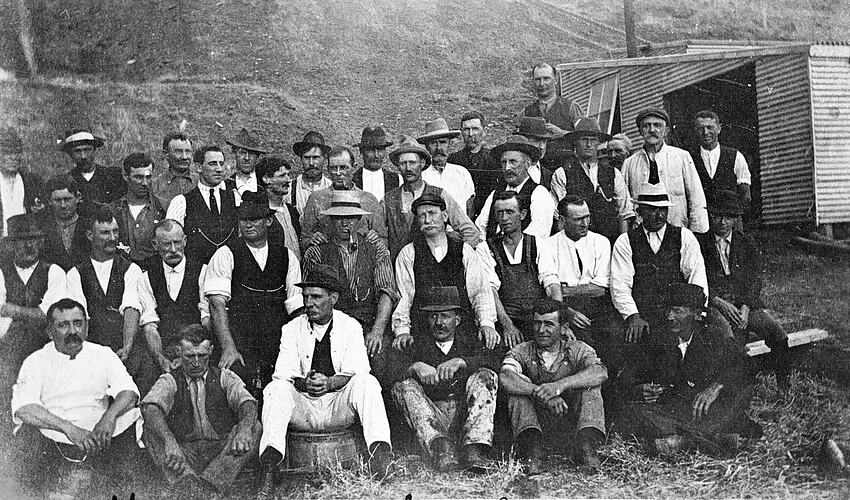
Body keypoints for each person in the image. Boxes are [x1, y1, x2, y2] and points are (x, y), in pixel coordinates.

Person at [258, 265, 393, 495]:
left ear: (333, 298)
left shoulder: (350, 326)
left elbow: (358, 369)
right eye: (306, 296)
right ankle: (270, 467)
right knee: (275, 388)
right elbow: (283, 372)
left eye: (316, 296)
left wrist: (329, 383)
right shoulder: (291, 329)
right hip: (304, 408)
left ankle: (381, 458)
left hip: (337, 407)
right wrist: (305, 383)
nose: (309, 303)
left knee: (367, 382)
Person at [10, 299, 142, 495]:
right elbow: (24, 407)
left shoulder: (103, 354)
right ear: (50, 332)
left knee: (133, 416)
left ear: (86, 326)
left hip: (98, 434)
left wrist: (108, 418)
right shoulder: (36, 361)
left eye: (78, 323)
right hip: (55, 434)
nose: (73, 331)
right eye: (63, 325)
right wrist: (69, 429)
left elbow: (128, 391)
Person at [615, 284, 761, 457]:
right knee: (633, 412)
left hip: (706, 408)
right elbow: (628, 376)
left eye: (677, 311)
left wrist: (716, 387)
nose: (669, 316)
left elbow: (746, 364)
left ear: (697, 315)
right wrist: (640, 390)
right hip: (677, 409)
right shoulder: (658, 338)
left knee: (729, 401)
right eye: (668, 310)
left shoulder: (713, 336)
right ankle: (710, 440)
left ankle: (684, 442)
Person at [140, 324, 261, 495]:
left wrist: (244, 429)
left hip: (220, 451)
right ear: (179, 352)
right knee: (150, 430)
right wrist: (169, 441)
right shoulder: (169, 380)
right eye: (190, 356)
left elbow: (247, 402)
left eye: (202, 355)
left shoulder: (224, 376)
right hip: (183, 452)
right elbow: (150, 408)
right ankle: (187, 483)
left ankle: (210, 486)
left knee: (254, 427)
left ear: (211, 351)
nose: (196, 363)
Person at [389, 286, 500, 472]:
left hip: (465, 419)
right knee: (403, 386)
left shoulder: (470, 341)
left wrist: (462, 362)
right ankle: (442, 450)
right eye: (433, 316)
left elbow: (495, 361)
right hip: (431, 421)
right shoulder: (416, 343)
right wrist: (415, 367)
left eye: (445, 316)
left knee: (486, 376)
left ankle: (474, 450)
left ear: (457, 319)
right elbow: (387, 375)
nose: (439, 322)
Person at [205, 190, 303, 387]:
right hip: (239, 342)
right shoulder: (225, 254)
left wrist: (297, 351)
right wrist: (229, 348)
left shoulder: (286, 256)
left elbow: (296, 308)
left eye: (254, 219)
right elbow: (217, 305)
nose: (247, 225)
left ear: (268, 221)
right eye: (243, 219)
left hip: (276, 343)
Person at [500, 299, 607, 475]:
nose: (541, 330)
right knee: (517, 390)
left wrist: (559, 386)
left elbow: (600, 372)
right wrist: (541, 393)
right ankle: (532, 452)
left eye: (549, 324)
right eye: (537, 323)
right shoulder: (522, 350)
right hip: (536, 423)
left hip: (570, 422)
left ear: (564, 328)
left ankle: (587, 449)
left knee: (590, 388)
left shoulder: (578, 349)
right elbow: (506, 377)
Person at [302, 190, 397, 378]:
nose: (345, 224)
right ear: (331, 220)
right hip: (331, 325)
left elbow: (386, 292)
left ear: (359, 219)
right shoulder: (316, 252)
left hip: (367, 324)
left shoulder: (375, 248)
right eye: (339, 218)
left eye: (351, 218)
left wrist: (377, 331)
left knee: (377, 361)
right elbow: (311, 299)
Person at [697, 189, 790, 381]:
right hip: (715, 304)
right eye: (717, 216)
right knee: (727, 338)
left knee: (778, 335)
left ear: (735, 218)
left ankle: (784, 384)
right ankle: (733, 385)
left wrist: (747, 307)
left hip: (744, 304)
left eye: (728, 217)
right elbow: (697, 279)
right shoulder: (699, 244)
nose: (722, 222)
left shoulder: (746, 243)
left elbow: (755, 279)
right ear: (710, 215)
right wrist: (718, 301)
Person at [393, 193, 499, 352]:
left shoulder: (464, 250)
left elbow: (480, 292)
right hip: (423, 331)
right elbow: (404, 297)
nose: (427, 220)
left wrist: (486, 324)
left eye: (432, 213)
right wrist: (402, 331)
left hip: (462, 331)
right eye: (422, 216)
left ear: (444, 216)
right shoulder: (408, 253)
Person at [610, 183, 708, 345]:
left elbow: (696, 277)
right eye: (652, 210)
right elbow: (620, 285)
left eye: (663, 209)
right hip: (642, 314)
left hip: (676, 315)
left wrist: (696, 315)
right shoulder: (625, 241)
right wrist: (632, 315)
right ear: (639, 212)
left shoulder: (684, 236)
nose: (659, 215)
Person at [0, 214, 68, 437]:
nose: (28, 245)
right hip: (9, 347)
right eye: (21, 240)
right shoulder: (1, 272)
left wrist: (14, 310)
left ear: (41, 242)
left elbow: (50, 315)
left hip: (44, 345)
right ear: (10, 245)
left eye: (33, 239)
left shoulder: (54, 272)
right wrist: (31, 314)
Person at [539, 196, 621, 356]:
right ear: (562, 220)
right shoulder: (547, 245)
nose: (585, 223)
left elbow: (601, 288)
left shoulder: (601, 242)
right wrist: (567, 312)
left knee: (614, 336)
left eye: (587, 217)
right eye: (578, 219)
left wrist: (566, 290)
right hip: (563, 306)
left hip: (598, 305)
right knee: (577, 343)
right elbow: (550, 286)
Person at [136, 220, 209, 395]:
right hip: (164, 349)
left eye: (177, 242)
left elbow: (206, 319)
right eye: (166, 244)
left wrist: (192, 354)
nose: (173, 249)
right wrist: (161, 358)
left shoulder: (202, 270)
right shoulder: (146, 277)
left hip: (197, 347)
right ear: (155, 245)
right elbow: (150, 325)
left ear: (185, 241)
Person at [381, 136, 482, 260]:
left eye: (412, 162)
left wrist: (454, 259)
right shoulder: (389, 199)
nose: (408, 168)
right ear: (398, 166)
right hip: (399, 267)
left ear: (422, 163)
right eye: (403, 163)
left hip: (434, 268)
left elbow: (470, 232)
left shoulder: (439, 194)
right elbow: (378, 235)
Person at [66, 206, 142, 364]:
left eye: (115, 231)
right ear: (90, 235)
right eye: (105, 233)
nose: (113, 238)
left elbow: (131, 309)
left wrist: (127, 346)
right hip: (91, 348)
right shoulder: (75, 273)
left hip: (124, 348)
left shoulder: (131, 269)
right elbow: (79, 315)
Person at [621, 108, 708, 234]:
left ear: (666, 130)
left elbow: (696, 197)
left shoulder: (681, 157)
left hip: (677, 230)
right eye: (646, 126)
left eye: (657, 125)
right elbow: (625, 205)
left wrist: (697, 233)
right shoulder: (629, 163)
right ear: (640, 131)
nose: (652, 130)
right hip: (641, 235)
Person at [550, 118, 634, 244]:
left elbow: (624, 213)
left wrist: (623, 245)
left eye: (593, 140)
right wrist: (565, 246)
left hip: (608, 241)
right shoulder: (562, 173)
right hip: (575, 242)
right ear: (575, 142)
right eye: (584, 139)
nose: (589, 144)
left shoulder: (613, 173)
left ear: (598, 143)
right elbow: (558, 216)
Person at [487, 191, 549, 348]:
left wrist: (559, 321)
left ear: (522, 214)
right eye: (499, 213)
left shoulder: (538, 244)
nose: (504, 218)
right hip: (507, 319)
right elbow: (490, 291)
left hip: (537, 320)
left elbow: (552, 285)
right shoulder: (486, 247)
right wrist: (508, 326)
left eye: (509, 212)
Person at [300, 145, 387, 251]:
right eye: (333, 168)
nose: (338, 173)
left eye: (343, 167)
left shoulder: (369, 200)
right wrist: (312, 240)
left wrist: (376, 238)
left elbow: (384, 241)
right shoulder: (317, 199)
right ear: (328, 169)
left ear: (354, 168)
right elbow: (304, 240)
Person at [166, 145, 240, 264]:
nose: (219, 169)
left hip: (230, 269)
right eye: (213, 164)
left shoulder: (235, 197)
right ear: (198, 167)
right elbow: (171, 241)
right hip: (196, 270)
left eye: (221, 164)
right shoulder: (181, 202)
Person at [475, 135, 556, 240]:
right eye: (504, 162)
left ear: (527, 164)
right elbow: (480, 226)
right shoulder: (496, 193)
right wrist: (485, 246)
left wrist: (506, 246)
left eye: (513, 162)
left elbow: (538, 232)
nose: (507, 168)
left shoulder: (539, 194)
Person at [520, 63, 584, 170]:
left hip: (567, 169)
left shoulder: (571, 107)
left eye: (546, 79)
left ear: (556, 80)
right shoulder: (526, 112)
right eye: (538, 79)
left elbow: (585, 139)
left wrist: (562, 133)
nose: (542, 83)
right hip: (537, 170)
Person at [109, 152, 166, 267]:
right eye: (138, 177)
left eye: (148, 177)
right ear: (126, 176)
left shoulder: (162, 208)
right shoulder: (113, 210)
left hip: (154, 271)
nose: (145, 183)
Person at [689, 110, 752, 213]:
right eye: (701, 128)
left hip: (729, 218)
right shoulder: (689, 159)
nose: (705, 132)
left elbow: (745, 195)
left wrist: (733, 216)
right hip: (702, 219)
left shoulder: (735, 156)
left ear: (719, 128)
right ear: (695, 131)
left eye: (710, 127)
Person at [59, 128, 125, 217]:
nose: (83, 156)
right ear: (71, 155)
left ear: (94, 150)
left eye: (87, 150)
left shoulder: (114, 175)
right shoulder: (66, 181)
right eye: (77, 151)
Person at [417, 118, 476, 217]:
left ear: (450, 144)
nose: (439, 148)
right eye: (433, 143)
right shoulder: (421, 176)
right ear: (427, 147)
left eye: (443, 142)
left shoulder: (462, 173)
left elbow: (470, 208)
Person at [448, 111, 500, 218]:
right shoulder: (453, 160)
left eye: (475, 129)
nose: (471, 134)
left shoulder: (495, 159)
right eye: (466, 129)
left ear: (484, 132)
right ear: (462, 132)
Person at [39, 175, 90, 271]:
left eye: (67, 199)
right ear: (49, 201)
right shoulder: (43, 228)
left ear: (77, 198)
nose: (63, 205)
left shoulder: (89, 226)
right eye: (57, 200)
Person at [255, 155, 302, 259]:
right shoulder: (259, 214)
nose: (288, 180)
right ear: (266, 179)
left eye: (288, 175)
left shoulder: (292, 211)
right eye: (282, 176)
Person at [0, 127, 40, 237]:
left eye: (17, 152)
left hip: (24, 241)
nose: (13, 158)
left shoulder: (31, 181)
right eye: (7, 153)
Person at [352, 126, 401, 202]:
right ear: (361, 152)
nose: (376, 155)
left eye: (380, 150)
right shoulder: (353, 180)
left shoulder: (397, 180)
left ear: (385, 152)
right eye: (371, 150)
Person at [290, 131, 332, 214]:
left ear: (324, 158)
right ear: (301, 159)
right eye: (307, 158)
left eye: (316, 157)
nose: (311, 163)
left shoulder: (331, 187)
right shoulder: (290, 189)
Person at [152, 131, 197, 209]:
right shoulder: (156, 186)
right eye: (178, 152)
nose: (184, 157)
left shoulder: (201, 182)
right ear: (166, 154)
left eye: (188, 151)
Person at [514, 116, 556, 189]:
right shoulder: (510, 171)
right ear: (522, 141)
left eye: (544, 142)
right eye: (536, 141)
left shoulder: (548, 176)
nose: (542, 147)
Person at [225, 128, 268, 196]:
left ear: (257, 158)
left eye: (251, 153)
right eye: (242, 152)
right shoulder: (225, 186)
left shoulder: (265, 186)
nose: (247, 158)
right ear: (235, 154)